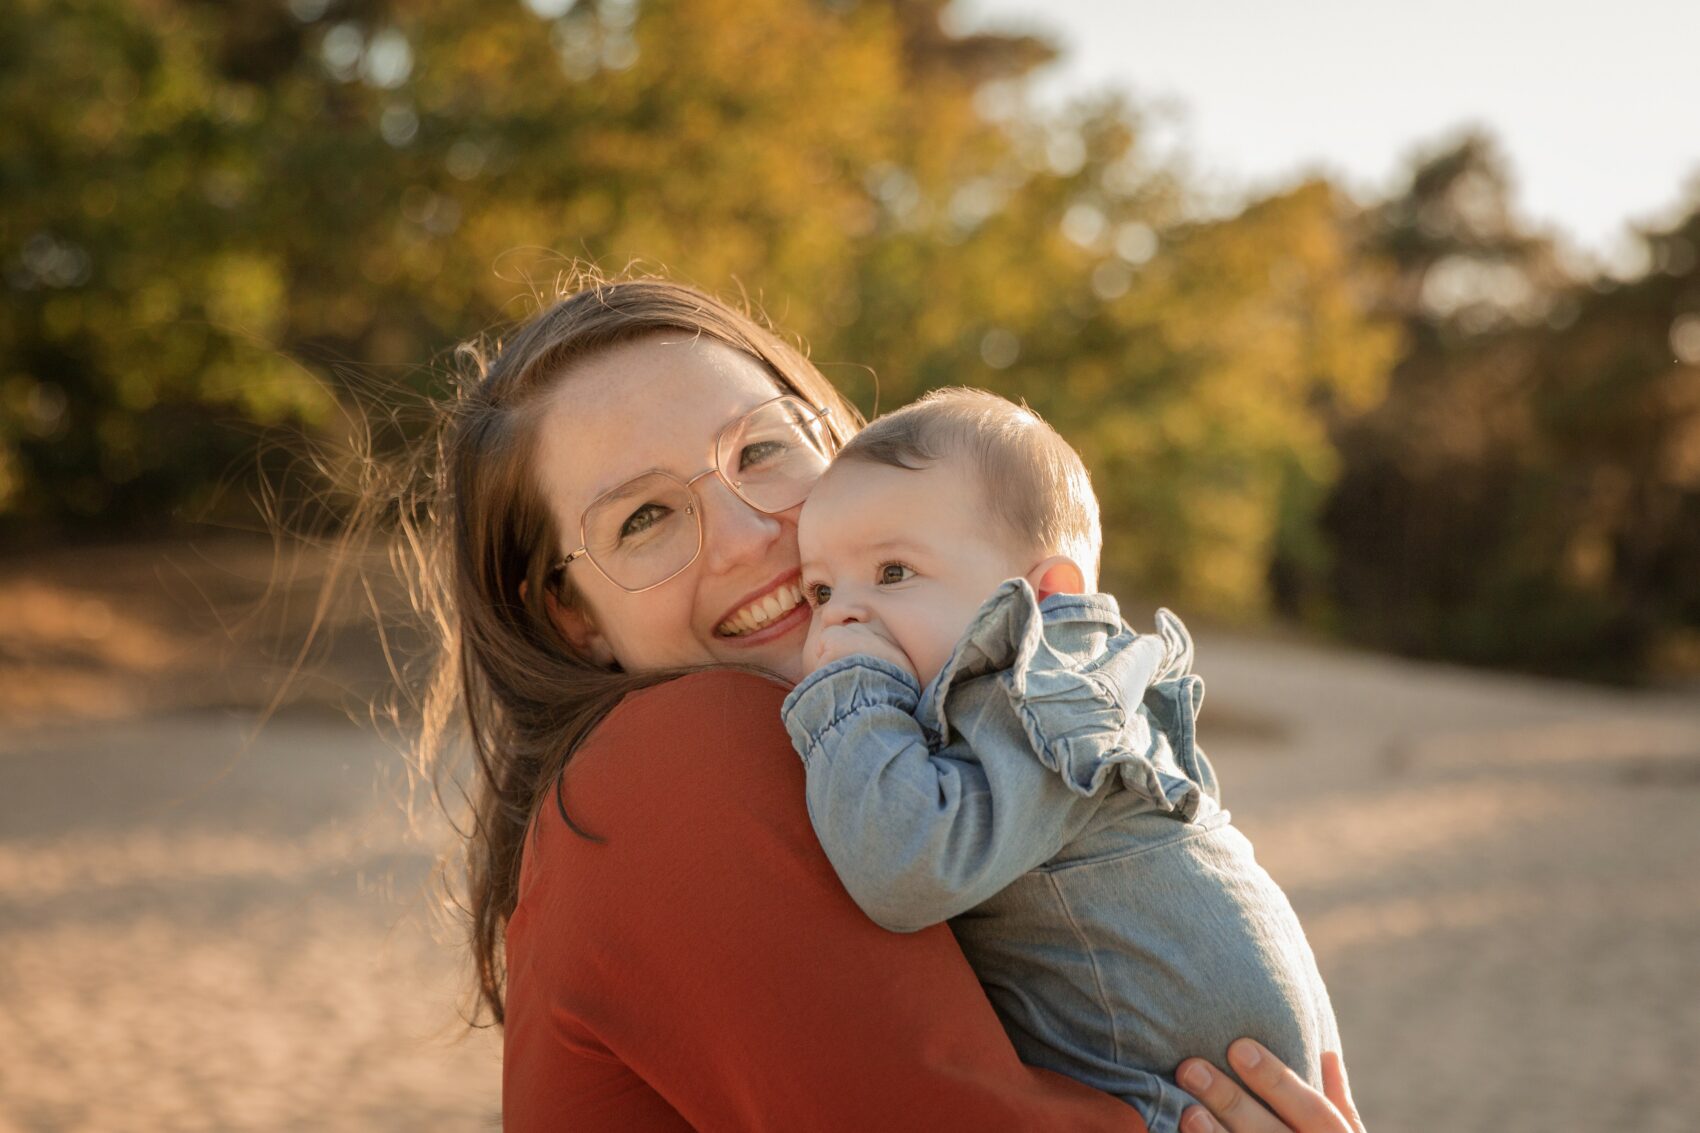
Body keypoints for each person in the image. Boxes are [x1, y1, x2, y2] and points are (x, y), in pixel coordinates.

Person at [418, 273, 1364, 1131]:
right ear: (572, 617)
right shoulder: (669, 762)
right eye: (645, 517)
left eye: (761, 449)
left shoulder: (887, 749)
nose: (754, 539)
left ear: (839, 441)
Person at [780, 388, 1339, 1132]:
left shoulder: (1040, 692)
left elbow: (907, 864)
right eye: (820, 588)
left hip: (1182, 1096)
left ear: (1048, 594)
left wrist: (850, 700)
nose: (840, 613)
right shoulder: (1057, 689)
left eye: (892, 573)